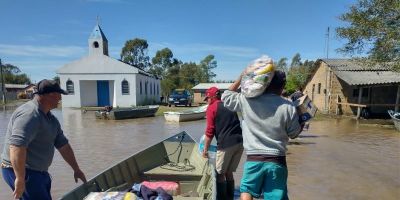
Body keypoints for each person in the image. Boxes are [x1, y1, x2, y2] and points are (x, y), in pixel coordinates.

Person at [221, 70, 303, 200]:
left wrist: (240, 77)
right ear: (283, 85)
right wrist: (302, 120)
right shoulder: (288, 106)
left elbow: (225, 97)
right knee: (275, 196)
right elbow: (293, 134)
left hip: (253, 158)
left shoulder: (248, 100)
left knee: (247, 190)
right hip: (277, 160)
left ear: (265, 83)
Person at [1, 79, 87, 200]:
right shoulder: (29, 115)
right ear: (50, 95)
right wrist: (20, 178)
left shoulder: (51, 119)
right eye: (59, 94)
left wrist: (76, 169)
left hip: (38, 172)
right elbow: (16, 146)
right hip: (21, 171)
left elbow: (63, 146)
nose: (60, 98)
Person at [202, 86, 243, 200]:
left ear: (214, 97)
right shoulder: (229, 104)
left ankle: (222, 198)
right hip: (239, 143)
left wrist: (205, 150)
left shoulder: (211, 108)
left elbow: (209, 132)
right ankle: (230, 197)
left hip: (226, 144)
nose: (207, 101)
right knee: (229, 172)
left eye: (208, 98)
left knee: (220, 174)